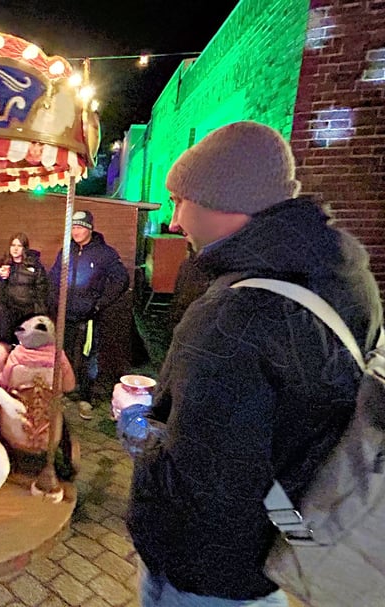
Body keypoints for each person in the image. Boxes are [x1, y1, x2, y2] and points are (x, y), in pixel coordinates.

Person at [113, 122, 382, 606]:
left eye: (180, 201)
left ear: (222, 203)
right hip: (281, 538)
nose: (174, 222)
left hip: (202, 569)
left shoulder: (232, 314)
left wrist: (136, 425)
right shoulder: (347, 280)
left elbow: (204, 483)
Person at [47, 209, 129, 419]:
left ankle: (85, 397)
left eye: (80, 227)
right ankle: (65, 392)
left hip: (90, 317)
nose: (76, 231)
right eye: (73, 227)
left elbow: (121, 280)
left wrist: (99, 304)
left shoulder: (105, 253)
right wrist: (56, 301)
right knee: (63, 354)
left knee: (87, 358)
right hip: (66, 315)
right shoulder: (66, 251)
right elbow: (54, 277)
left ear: (89, 229)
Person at [0, 232, 49, 342]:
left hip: (27, 313)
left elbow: (42, 291)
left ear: (24, 248)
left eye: (19, 246)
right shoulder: (3, 264)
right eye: (13, 245)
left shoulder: (35, 266)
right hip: (9, 313)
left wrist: (39, 315)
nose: (15, 249)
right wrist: (2, 278)